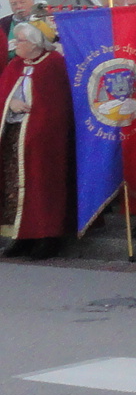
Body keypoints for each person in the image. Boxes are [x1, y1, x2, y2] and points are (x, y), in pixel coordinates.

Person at [1, 21, 71, 259]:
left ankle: (46, 237)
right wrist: (11, 103)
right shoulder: (15, 64)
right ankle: (21, 236)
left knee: (43, 187)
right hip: (15, 137)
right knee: (16, 188)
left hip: (44, 140)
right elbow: (3, 93)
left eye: (20, 41)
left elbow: (56, 106)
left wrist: (39, 127)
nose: (15, 44)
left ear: (34, 44)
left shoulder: (53, 65)